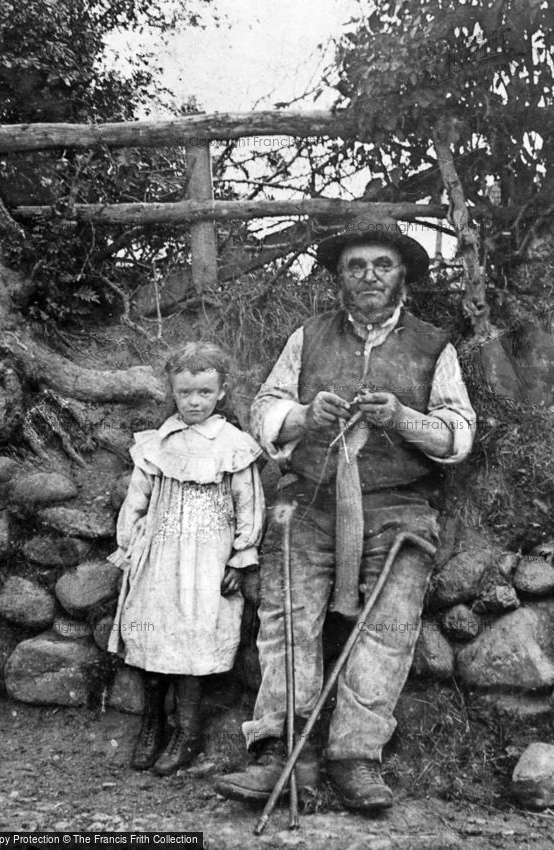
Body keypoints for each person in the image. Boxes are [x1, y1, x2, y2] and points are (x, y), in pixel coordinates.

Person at [216, 218, 475, 811]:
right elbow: (264, 410)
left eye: (382, 265)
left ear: (402, 275)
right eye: (356, 266)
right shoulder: (308, 336)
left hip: (399, 504)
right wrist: (305, 416)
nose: (369, 276)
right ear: (339, 277)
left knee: (387, 626)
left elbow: (458, 435)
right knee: (287, 617)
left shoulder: (435, 345)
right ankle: (285, 756)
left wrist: (405, 419)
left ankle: (355, 758)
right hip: (310, 498)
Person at [108, 341, 265, 775]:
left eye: (204, 393)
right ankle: (152, 725)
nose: (194, 402)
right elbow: (136, 500)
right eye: (184, 393)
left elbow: (248, 504)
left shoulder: (232, 445)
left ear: (221, 392)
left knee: (193, 642)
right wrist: (131, 544)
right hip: (159, 559)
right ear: (172, 392)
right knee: (153, 636)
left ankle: (188, 734)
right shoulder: (159, 442)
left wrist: (240, 556)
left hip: (206, 562)